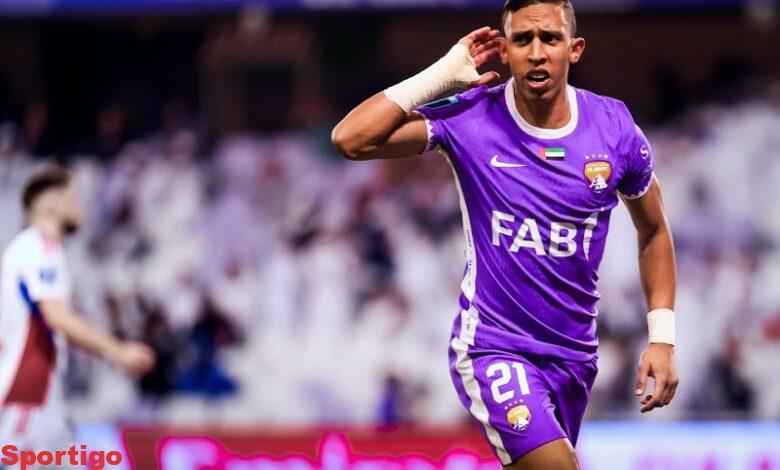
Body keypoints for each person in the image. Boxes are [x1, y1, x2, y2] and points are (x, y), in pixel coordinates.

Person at [331, 0, 678, 468]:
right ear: (505, 51)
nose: (536, 52)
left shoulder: (614, 129)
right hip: (494, 347)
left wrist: (662, 337)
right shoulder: (471, 118)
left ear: (574, 49)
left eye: (549, 39)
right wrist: (438, 76)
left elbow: (654, 229)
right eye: (522, 40)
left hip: (574, 357)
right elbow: (351, 140)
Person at [0, 166, 156, 456]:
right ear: (49, 206)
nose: (80, 207)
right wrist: (116, 350)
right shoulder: (38, 247)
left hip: (43, 398)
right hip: (27, 395)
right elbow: (55, 315)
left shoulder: (35, 250)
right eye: (72, 199)